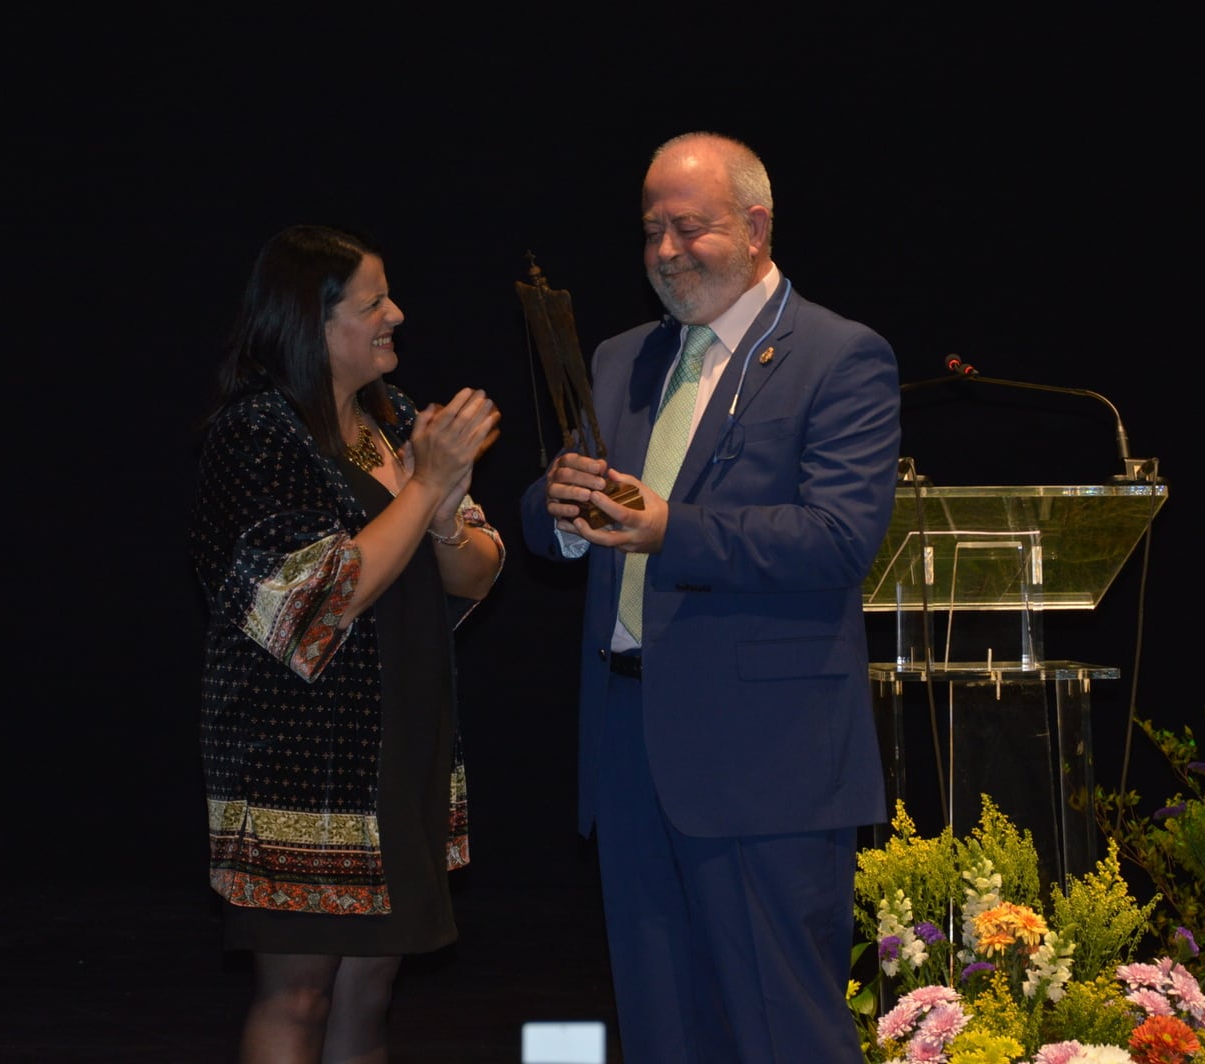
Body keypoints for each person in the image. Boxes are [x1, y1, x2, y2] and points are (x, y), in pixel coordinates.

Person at [519, 132, 900, 1062]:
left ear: (758, 226)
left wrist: (669, 529)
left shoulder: (840, 357)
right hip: (629, 748)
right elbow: (546, 516)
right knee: (663, 1030)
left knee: (782, 1031)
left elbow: (839, 536)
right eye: (651, 231)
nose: (665, 253)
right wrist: (562, 511)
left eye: (690, 228)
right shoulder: (620, 360)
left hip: (766, 764)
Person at [190, 223, 503, 1063]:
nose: (396, 314)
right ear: (311, 322)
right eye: (373, 303)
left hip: (399, 743)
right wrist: (429, 483)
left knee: (370, 989)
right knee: (299, 991)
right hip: (300, 760)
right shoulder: (257, 435)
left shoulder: (393, 416)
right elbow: (317, 603)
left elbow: (476, 572)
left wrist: (440, 513)